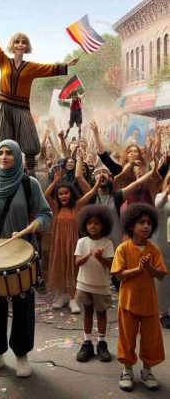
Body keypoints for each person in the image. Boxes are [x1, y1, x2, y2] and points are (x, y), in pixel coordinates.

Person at [0, 139, 52, 378]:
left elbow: (46, 213)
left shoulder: (29, 184)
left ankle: (22, 355)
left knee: (24, 306)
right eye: (0, 153)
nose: (4, 157)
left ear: (17, 157)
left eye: (9, 154)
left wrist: (36, 224)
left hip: (23, 253)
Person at [0, 5, 78, 172]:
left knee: (30, 144)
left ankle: (30, 175)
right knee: (1, 144)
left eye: (23, 42)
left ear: (27, 46)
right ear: (13, 44)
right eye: (17, 41)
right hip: (3, 107)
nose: (20, 44)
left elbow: (50, 69)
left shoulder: (31, 67)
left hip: (22, 109)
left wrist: (68, 64)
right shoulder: (3, 61)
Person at [111, 204, 167, 392]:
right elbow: (118, 275)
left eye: (149, 223)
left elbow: (160, 275)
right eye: (141, 222)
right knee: (127, 338)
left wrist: (150, 269)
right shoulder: (122, 249)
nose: (146, 226)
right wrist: (139, 269)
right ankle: (127, 371)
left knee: (150, 339)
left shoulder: (154, 250)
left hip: (149, 303)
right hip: (128, 302)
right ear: (131, 225)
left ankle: (147, 371)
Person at [45, 156, 101, 313]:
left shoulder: (76, 206)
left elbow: (89, 195)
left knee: (72, 268)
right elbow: (46, 196)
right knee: (60, 267)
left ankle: (72, 298)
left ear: (71, 194)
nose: (63, 196)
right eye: (61, 194)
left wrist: (96, 185)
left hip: (73, 243)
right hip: (58, 243)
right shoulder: (56, 207)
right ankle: (63, 296)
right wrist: (55, 183)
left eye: (66, 193)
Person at [74, 204, 114, 363]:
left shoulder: (108, 243)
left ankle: (102, 343)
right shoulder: (82, 241)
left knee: (102, 313)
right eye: (89, 222)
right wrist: (89, 255)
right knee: (87, 312)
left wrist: (99, 257)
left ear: (104, 225)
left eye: (97, 223)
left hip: (102, 285)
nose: (92, 226)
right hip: (84, 284)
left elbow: (110, 264)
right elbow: (77, 262)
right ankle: (87, 342)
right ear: (85, 224)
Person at [152, 176, 170, 328]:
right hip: (162, 241)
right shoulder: (161, 196)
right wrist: (165, 196)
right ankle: (163, 313)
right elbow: (157, 206)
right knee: (162, 278)